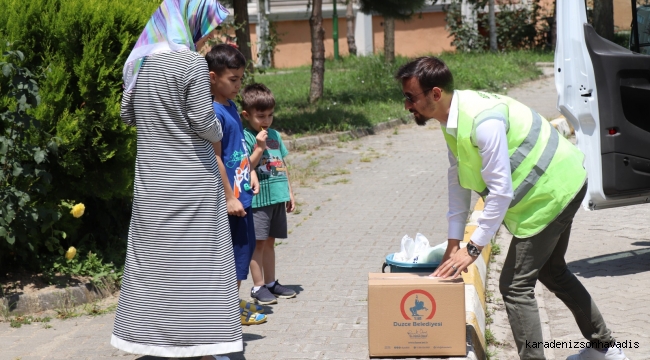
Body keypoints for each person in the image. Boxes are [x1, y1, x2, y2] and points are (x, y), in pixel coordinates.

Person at [396, 57, 628, 360]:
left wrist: (474, 247)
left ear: (435, 94)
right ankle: (605, 348)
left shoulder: (483, 121)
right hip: (558, 186)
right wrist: (453, 243)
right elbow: (457, 180)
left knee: (515, 287)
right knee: (553, 272)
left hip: (552, 193)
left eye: (410, 97)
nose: (406, 106)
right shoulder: (451, 119)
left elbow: (501, 191)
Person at [112, 1, 241, 359]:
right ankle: (202, 345)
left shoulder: (140, 61)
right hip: (191, 180)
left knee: (154, 265)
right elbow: (203, 121)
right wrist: (218, 129)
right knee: (201, 267)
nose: (208, 33)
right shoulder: (191, 63)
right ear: (191, 20)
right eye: (208, 24)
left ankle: (155, 340)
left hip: (153, 180)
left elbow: (127, 114)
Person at [205, 44, 267, 325]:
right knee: (234, 259)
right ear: (212, 77)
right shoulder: (213, 111)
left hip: (244, 195)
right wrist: (229, 197)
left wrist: (250, 171)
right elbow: (215, 157)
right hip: (232, 202)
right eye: (233, 80)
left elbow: (238, 150)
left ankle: (231, 307)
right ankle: (225, 316)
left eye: (241, 79)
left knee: (244, 253)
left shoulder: (230, 106)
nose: (238, 85)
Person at [241, 83, 297, 305]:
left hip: (277, 196)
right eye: (260, 116)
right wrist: (259, 147)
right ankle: (258, 286)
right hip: (259, 199)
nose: (266, 120)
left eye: (270, 115)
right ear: (247, 115)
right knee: (258, 244)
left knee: (271, 242)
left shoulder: (274, 134)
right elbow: (247, 166)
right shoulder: (246, 136)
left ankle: (271, 283)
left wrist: (290, 194)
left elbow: (281, 163)